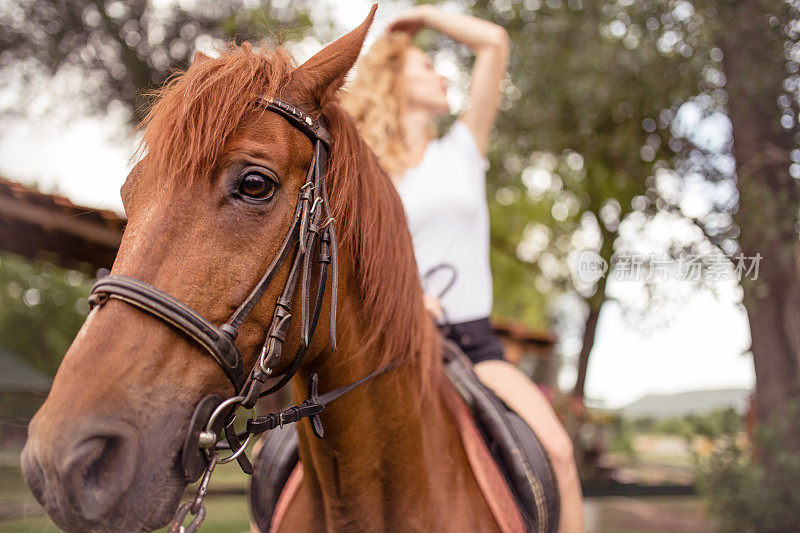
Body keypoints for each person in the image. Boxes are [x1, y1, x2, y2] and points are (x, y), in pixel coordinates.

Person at [341, 5, 584, 532]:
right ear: (392, 78)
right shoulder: (364, 166)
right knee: (288, 456)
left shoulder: (463, 149)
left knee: (560, 452)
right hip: (387, 346)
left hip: (471, 345)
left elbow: (495, 42)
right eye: (425, 66)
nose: (440, 74)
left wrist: (424, 14)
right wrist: (402, 299)